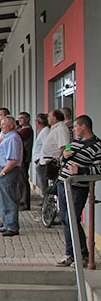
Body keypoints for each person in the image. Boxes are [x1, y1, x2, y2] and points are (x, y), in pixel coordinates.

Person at [55, 115, 101, 267]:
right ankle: (70, 253)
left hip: (78, 187)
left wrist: (80, 170)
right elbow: (62, 159)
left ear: (83, 127)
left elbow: (99, 169)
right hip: (63, 183)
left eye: (75, 127)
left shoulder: (97, 146)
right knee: (65, 219)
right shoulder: (73, 143)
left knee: (72, 218)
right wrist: (64, 156)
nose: (73, 129)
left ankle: (82, 254)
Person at [0, 115, 24, 237]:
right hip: (5, 171)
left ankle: (11, 226)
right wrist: (1, 135)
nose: (1, 127)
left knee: (9, 199)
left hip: (8, 171)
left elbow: (13, 159)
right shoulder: (7, 137)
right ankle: (7, 224)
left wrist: (3, 171)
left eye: (4, 125)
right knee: (4, 200)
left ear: (12, 125)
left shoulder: (12, 139)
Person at [16, 112, 34, 210]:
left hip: (24, 158)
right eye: (19, 118)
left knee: (23, 181)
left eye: (22, 118)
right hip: (22, 158)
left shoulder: (26, 130)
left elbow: (66, 145)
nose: (20, 120)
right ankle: (21, 201)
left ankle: (24, 202)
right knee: (20, 181)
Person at [32, 113, 50, 197]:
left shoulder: (63, 129)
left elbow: (66, 145)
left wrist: (41, 160)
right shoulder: (45, 131)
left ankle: (46, 203)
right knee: (43, 184)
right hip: (41, 161)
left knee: (44, 185)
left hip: (43, 162)